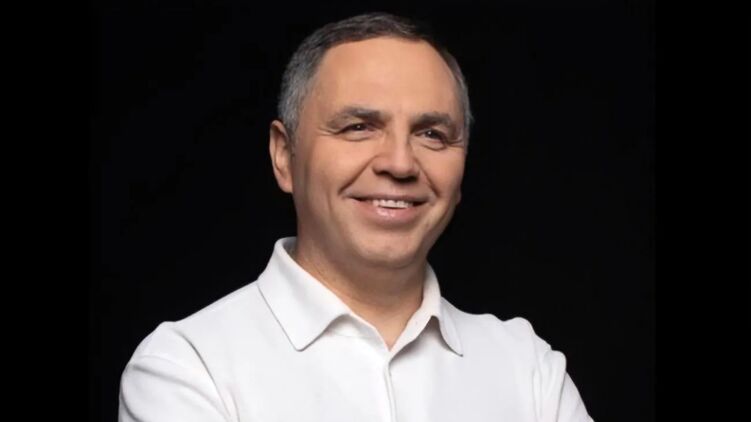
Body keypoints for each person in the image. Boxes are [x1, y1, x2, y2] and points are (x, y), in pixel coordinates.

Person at [119, 12, 594, 422]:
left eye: (431, 134)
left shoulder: (528, 367)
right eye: (359, 127)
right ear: (284, 156)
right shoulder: (187, 366)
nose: (400, 164)